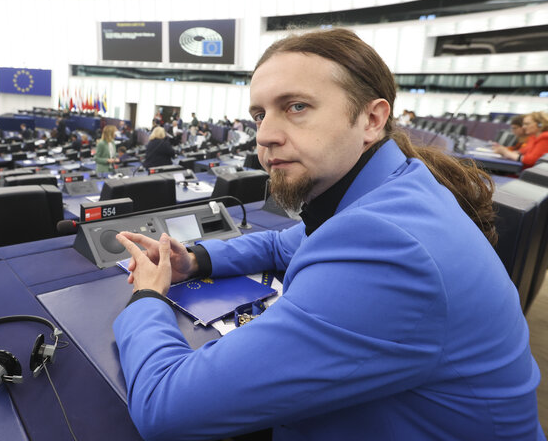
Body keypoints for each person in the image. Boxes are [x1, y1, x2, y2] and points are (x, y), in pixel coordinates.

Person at [112, 28, 542, 440]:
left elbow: (163, 406)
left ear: (372, 119)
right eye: (259, 114)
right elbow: (284, 243)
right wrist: (196, 260)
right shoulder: (394, 186)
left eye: (296, 106)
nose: (264, 135)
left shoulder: (388, 249)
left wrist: (147, 296)